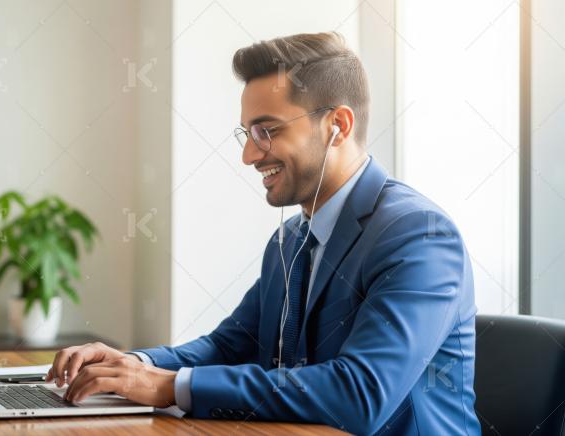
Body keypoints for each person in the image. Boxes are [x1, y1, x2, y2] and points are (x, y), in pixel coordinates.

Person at [46, 31, 480, 435]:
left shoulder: (419, 236)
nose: (249, 154)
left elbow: (360, 394)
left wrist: (168, 385)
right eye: (248, 132)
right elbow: (229, 345)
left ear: (338, 126)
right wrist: (133, 364)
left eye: (267, 131)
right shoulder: (290, 238)